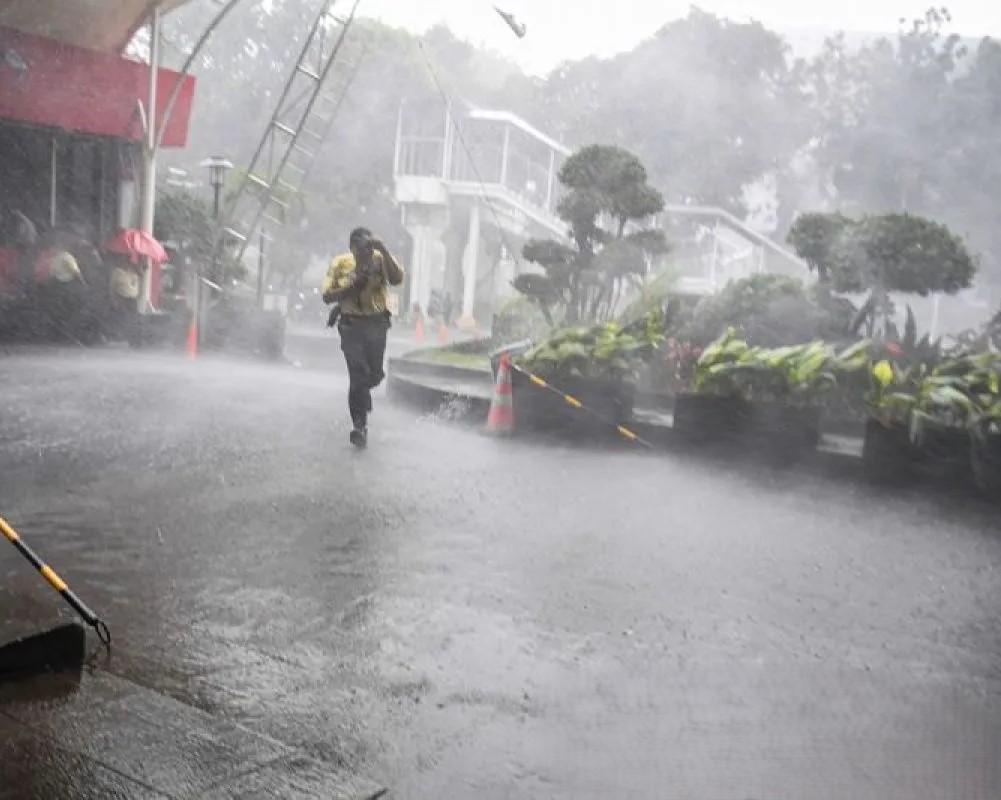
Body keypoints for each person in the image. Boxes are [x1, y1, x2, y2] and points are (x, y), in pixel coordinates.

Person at [321, 227, 404, 448]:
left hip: (377, 325)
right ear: (351, 248)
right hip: (351, 327)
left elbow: (396, 279)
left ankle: (365, 392)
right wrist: (350, 289)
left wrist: (383, 249)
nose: (364, 253)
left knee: (374, 375)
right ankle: (359, 426)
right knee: (358, 376)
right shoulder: (340, 264)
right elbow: (327, 296)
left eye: (368, 248)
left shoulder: (380, 259)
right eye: (359, 248)